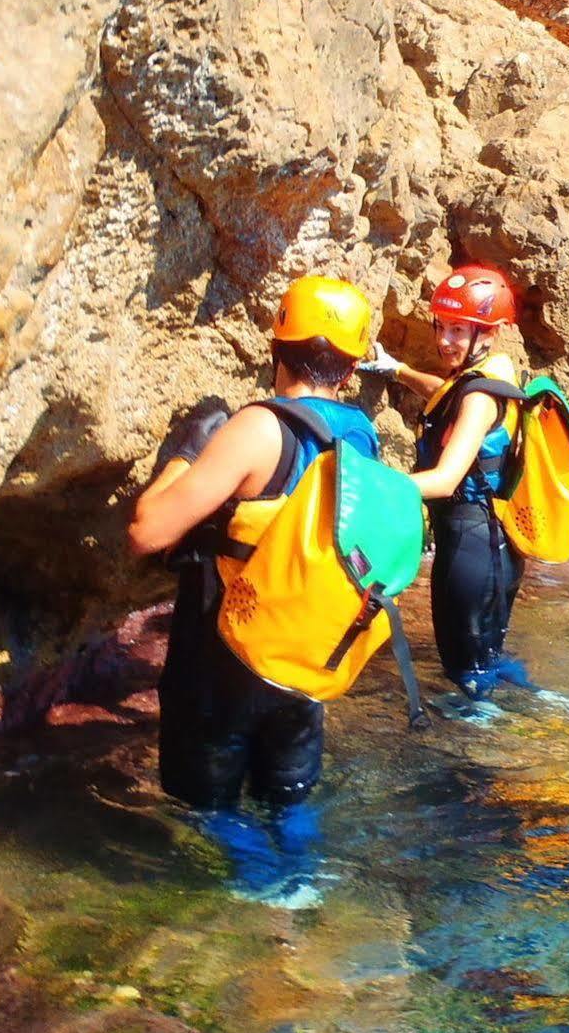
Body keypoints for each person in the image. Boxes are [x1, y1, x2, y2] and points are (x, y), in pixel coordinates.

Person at [129, 274, 381, 812]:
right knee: (287, 809)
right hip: (303, 664)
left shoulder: (259, 428)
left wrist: (188, 454)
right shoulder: (362, 436)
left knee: (207, 815)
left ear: (276, 346)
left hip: (226, 663)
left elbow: (146, 533)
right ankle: (299, 890)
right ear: (353, 367)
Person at [366, 265, 527, 699]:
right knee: (487, 660)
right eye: (441, 326)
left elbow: (444, 479)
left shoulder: (478, 397)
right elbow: (446, 395)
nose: (444, 340)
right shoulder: (493, 373)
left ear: (489, 332)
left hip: (470, 548)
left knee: (465, 677)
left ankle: (477, 760)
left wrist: (369, 486)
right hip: (495, 546)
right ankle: (537, 711)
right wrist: (396, 370)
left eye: (459, 330)